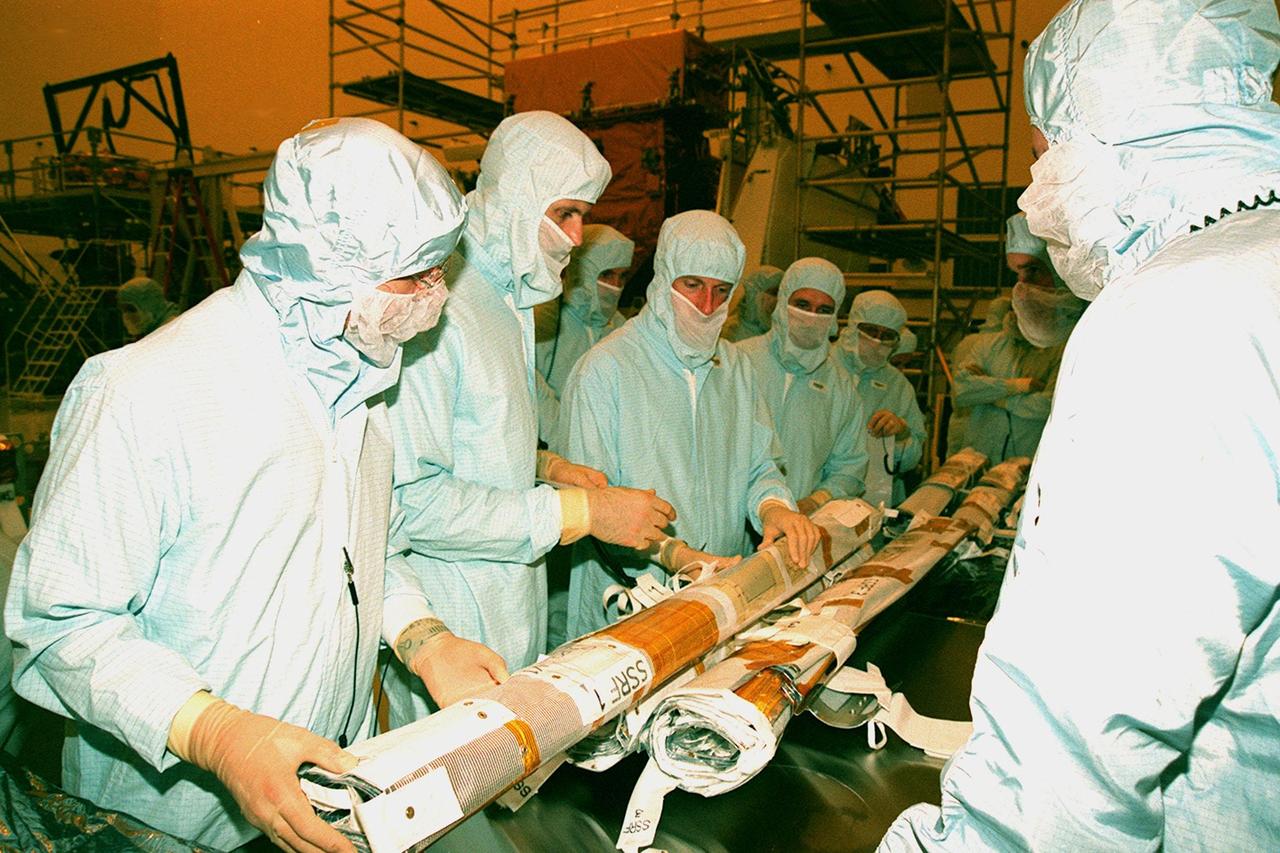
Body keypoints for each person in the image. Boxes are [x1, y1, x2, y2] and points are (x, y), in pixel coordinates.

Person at [4, 117, 509, 851]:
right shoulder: (146, 391)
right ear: (326, 265)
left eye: (442, 269)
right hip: (168, 819)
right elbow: (60, 625)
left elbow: (349, 552)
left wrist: (421, 637)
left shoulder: (361, 373)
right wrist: (216, 732)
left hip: (335, 789)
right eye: (415, 274)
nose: (436, 294)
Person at [880, 1, 1280, 848]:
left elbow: (1064, 769)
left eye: (1043, 155)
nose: (1035, 194)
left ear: (1106, 138)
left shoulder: (1176, 316)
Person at [382, 112, 676, 727]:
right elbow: (410, 502)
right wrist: (581, 514)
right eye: (564, 214)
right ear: (517, 198)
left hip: (510, 602)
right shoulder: (445, 305)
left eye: (582, 217)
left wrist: (548, 466)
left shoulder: (508, 300)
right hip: (454, 627)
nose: (576, 237)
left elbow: (475, 436)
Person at [557, 210, 822, 638]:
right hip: (631, 599)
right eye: (693, 285)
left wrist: (774, 507)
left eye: (722, 290)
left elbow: (758, 467)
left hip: (722, 588)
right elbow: (592, 507)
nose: (707, 306)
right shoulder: (606, 370)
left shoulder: (735, 368)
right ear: (664, 278)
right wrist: (674, 554)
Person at [735, 257, 867, 514]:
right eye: (802, 305)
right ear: (783, 303)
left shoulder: (840, 385)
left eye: (824, 310)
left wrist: (817, 500)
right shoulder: (738, 362)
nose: (811, 317)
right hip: (731, 523)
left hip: (796, 531)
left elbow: (850, 466)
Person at [951, 214, 1085, 463]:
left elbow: (1051, 405)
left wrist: (993, 396)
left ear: (1060, 268)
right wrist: (1018, 387)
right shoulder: (988, 345)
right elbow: (963, 390)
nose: (1022, 288)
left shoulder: (1081, 344)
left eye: (1033, 270)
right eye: (1017, 275)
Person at [834, 290, 926, 505]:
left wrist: (902, 434)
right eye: (870, 330)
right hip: (814, 496)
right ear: (854, 324)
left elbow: (914, 455)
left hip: (871, 501)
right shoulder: (820, 367)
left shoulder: (897, 385)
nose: (877, 341)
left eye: (886, 336)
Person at [536, 223, 635, 395]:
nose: (616, 286)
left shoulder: (622, 329)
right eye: (607, 274)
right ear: (582, 271)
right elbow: (535, 394)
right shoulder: (546, 326)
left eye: (623, 276)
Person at [943, 295, 1009, 459]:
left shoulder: (966, 341)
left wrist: (982, 382)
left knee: (952, 475)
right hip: (982, 423)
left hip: (958, 421)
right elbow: (974, 387)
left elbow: (962, 380)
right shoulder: (999, 347)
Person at [720, 264, 783, 342]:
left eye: (780, 294)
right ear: (755, 293)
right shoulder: (732, 331)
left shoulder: (774, 331)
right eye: (774, 293)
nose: (777, 300)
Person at [117, 276, 180, 340]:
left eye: (131, 309)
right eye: (124, 310)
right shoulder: (153, 328)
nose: (127, 316)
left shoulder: (171, 331)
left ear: (149, 305)